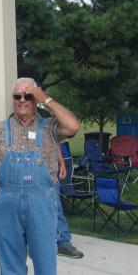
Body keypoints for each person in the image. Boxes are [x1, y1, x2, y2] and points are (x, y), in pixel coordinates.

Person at [0, 77, 79, 275]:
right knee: (10, 266)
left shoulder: (50, 127)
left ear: (35, 99)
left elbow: (73, 126)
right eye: (17, 96)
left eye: (28, 95)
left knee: (45, 264)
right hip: (6, 205)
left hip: (41, 203)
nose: (22, 100)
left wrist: (46, 99)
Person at [39, 106, 84, 259]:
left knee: (56, 207)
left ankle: (63, 243)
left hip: (50, 173)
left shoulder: (46, 114)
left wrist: (62, 163)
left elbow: (56, 140)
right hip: (29, 174)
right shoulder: (17, 117)